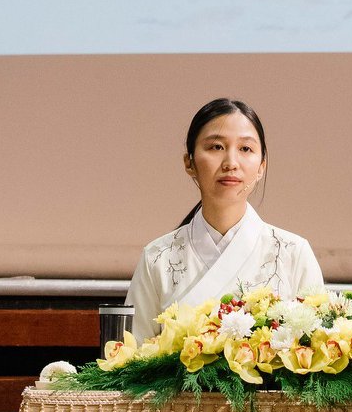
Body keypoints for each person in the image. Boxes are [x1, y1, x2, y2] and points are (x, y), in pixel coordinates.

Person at [125, 98, 326, 338]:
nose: (231, 163)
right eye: (216, 147)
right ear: (189, 162)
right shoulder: (157, 258)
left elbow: (318, 350)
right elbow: (132, 354)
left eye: (245, 149)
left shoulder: (294, 253)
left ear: (262, 166)